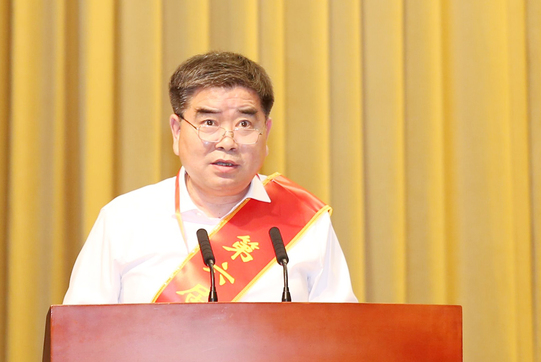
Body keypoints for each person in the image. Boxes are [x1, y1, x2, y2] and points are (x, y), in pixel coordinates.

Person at [63, 51, 356, 304]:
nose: (227, 141)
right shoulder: (124, 219)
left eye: (244, 124)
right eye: (209, 122)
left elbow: (341, 333)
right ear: (177, 131)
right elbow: (81, 334)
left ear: (265, 133)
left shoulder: (302, 220)